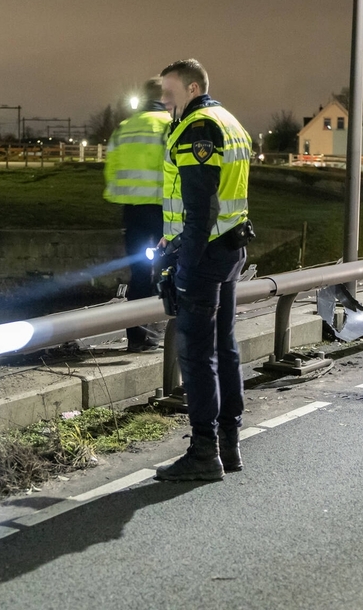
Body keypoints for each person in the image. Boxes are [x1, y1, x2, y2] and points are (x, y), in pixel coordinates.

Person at [155, 58, 252, 481]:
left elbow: (201, 209)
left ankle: (203, 452)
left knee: (196, 355)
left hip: (205, 254)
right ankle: (229, 444)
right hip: (230, 248)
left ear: (193, 89)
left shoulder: (198, 129)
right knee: (225, 348)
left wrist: (182, 268)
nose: (163, 99)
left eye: (170, 91)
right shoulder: (229, 121)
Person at [103, 77, 172, 352]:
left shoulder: (124, 128)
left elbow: (111, 170)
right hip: (164, 210)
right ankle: (162, 333)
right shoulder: (169, 126)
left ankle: (135, 338)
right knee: (169, 270)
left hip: (132, 211)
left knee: (139, 274)